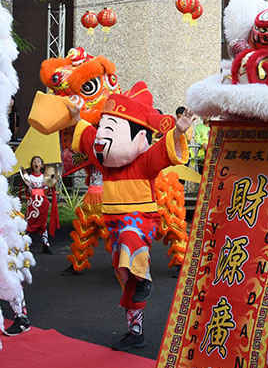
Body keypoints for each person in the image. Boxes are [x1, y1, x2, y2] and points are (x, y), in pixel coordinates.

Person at [68, 82, 190, 351]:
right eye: (104, 128)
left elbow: (165, 151)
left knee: (130, 238)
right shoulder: (104, 165)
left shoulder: (144, 160)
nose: (102, 136)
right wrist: (77, 118)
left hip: (140, 219)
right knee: (126, 277)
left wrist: (177, 131)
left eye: (110, 130)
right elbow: (89, 137)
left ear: (139, 138)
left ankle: (143, 278)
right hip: (112, 222)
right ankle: (136, 331)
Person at [18, 156, 55, 256]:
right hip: (32, 203)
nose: (36, 163)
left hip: (43, 202)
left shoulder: (45, 177)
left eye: (38, 161)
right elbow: (28, 191)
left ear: (41, 165)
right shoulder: (29, 177)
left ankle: (45, 244)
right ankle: (24, 244)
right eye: (34, 161)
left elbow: (46, 191)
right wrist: (29, 189)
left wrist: (51, 182)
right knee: (29, 222)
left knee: (43, 223)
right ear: (32, 165)